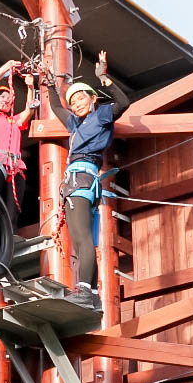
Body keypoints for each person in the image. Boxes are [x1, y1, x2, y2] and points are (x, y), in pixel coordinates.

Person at [47, 50, 129, 306]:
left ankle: (84, 291)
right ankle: (89, 293)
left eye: (81, 98)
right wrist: (50, 85)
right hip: (77, 182)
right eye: (73, 101)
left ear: (92, 99)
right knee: (82, 238)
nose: (77, 104)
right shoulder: (76, 125)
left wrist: (104, 78)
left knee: (82, 238)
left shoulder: (101, 115)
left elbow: (123, 103)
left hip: (82, 179)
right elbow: (55, 107)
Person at [0, 60, 37, 225]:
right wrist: (6, 67)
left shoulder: (13, 121)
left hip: (16, 168)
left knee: (12, 213)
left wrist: (31, 88)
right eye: (2, 97)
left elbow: (29, 110)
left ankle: (8, 242)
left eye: (9, 99)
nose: (7, 100)